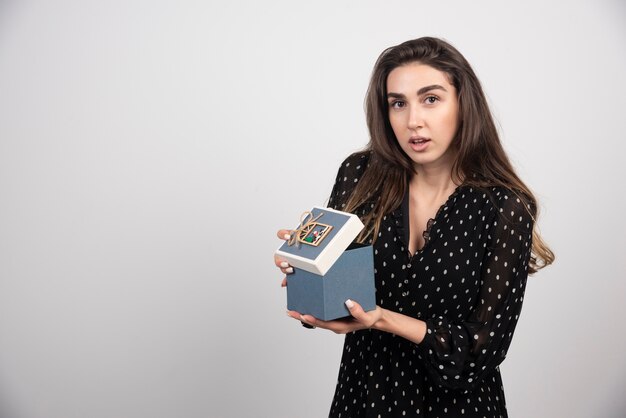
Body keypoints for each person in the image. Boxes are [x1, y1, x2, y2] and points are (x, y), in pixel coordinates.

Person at [274, 37, 554, 417]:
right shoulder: (360, 175)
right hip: (364, 398)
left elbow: (482, 351)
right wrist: (306, 264)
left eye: (431, 99)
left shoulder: (504, 207)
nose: (413, 121)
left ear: (462, 103)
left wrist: (382, 319)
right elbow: (337, 295)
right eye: (398, 103)